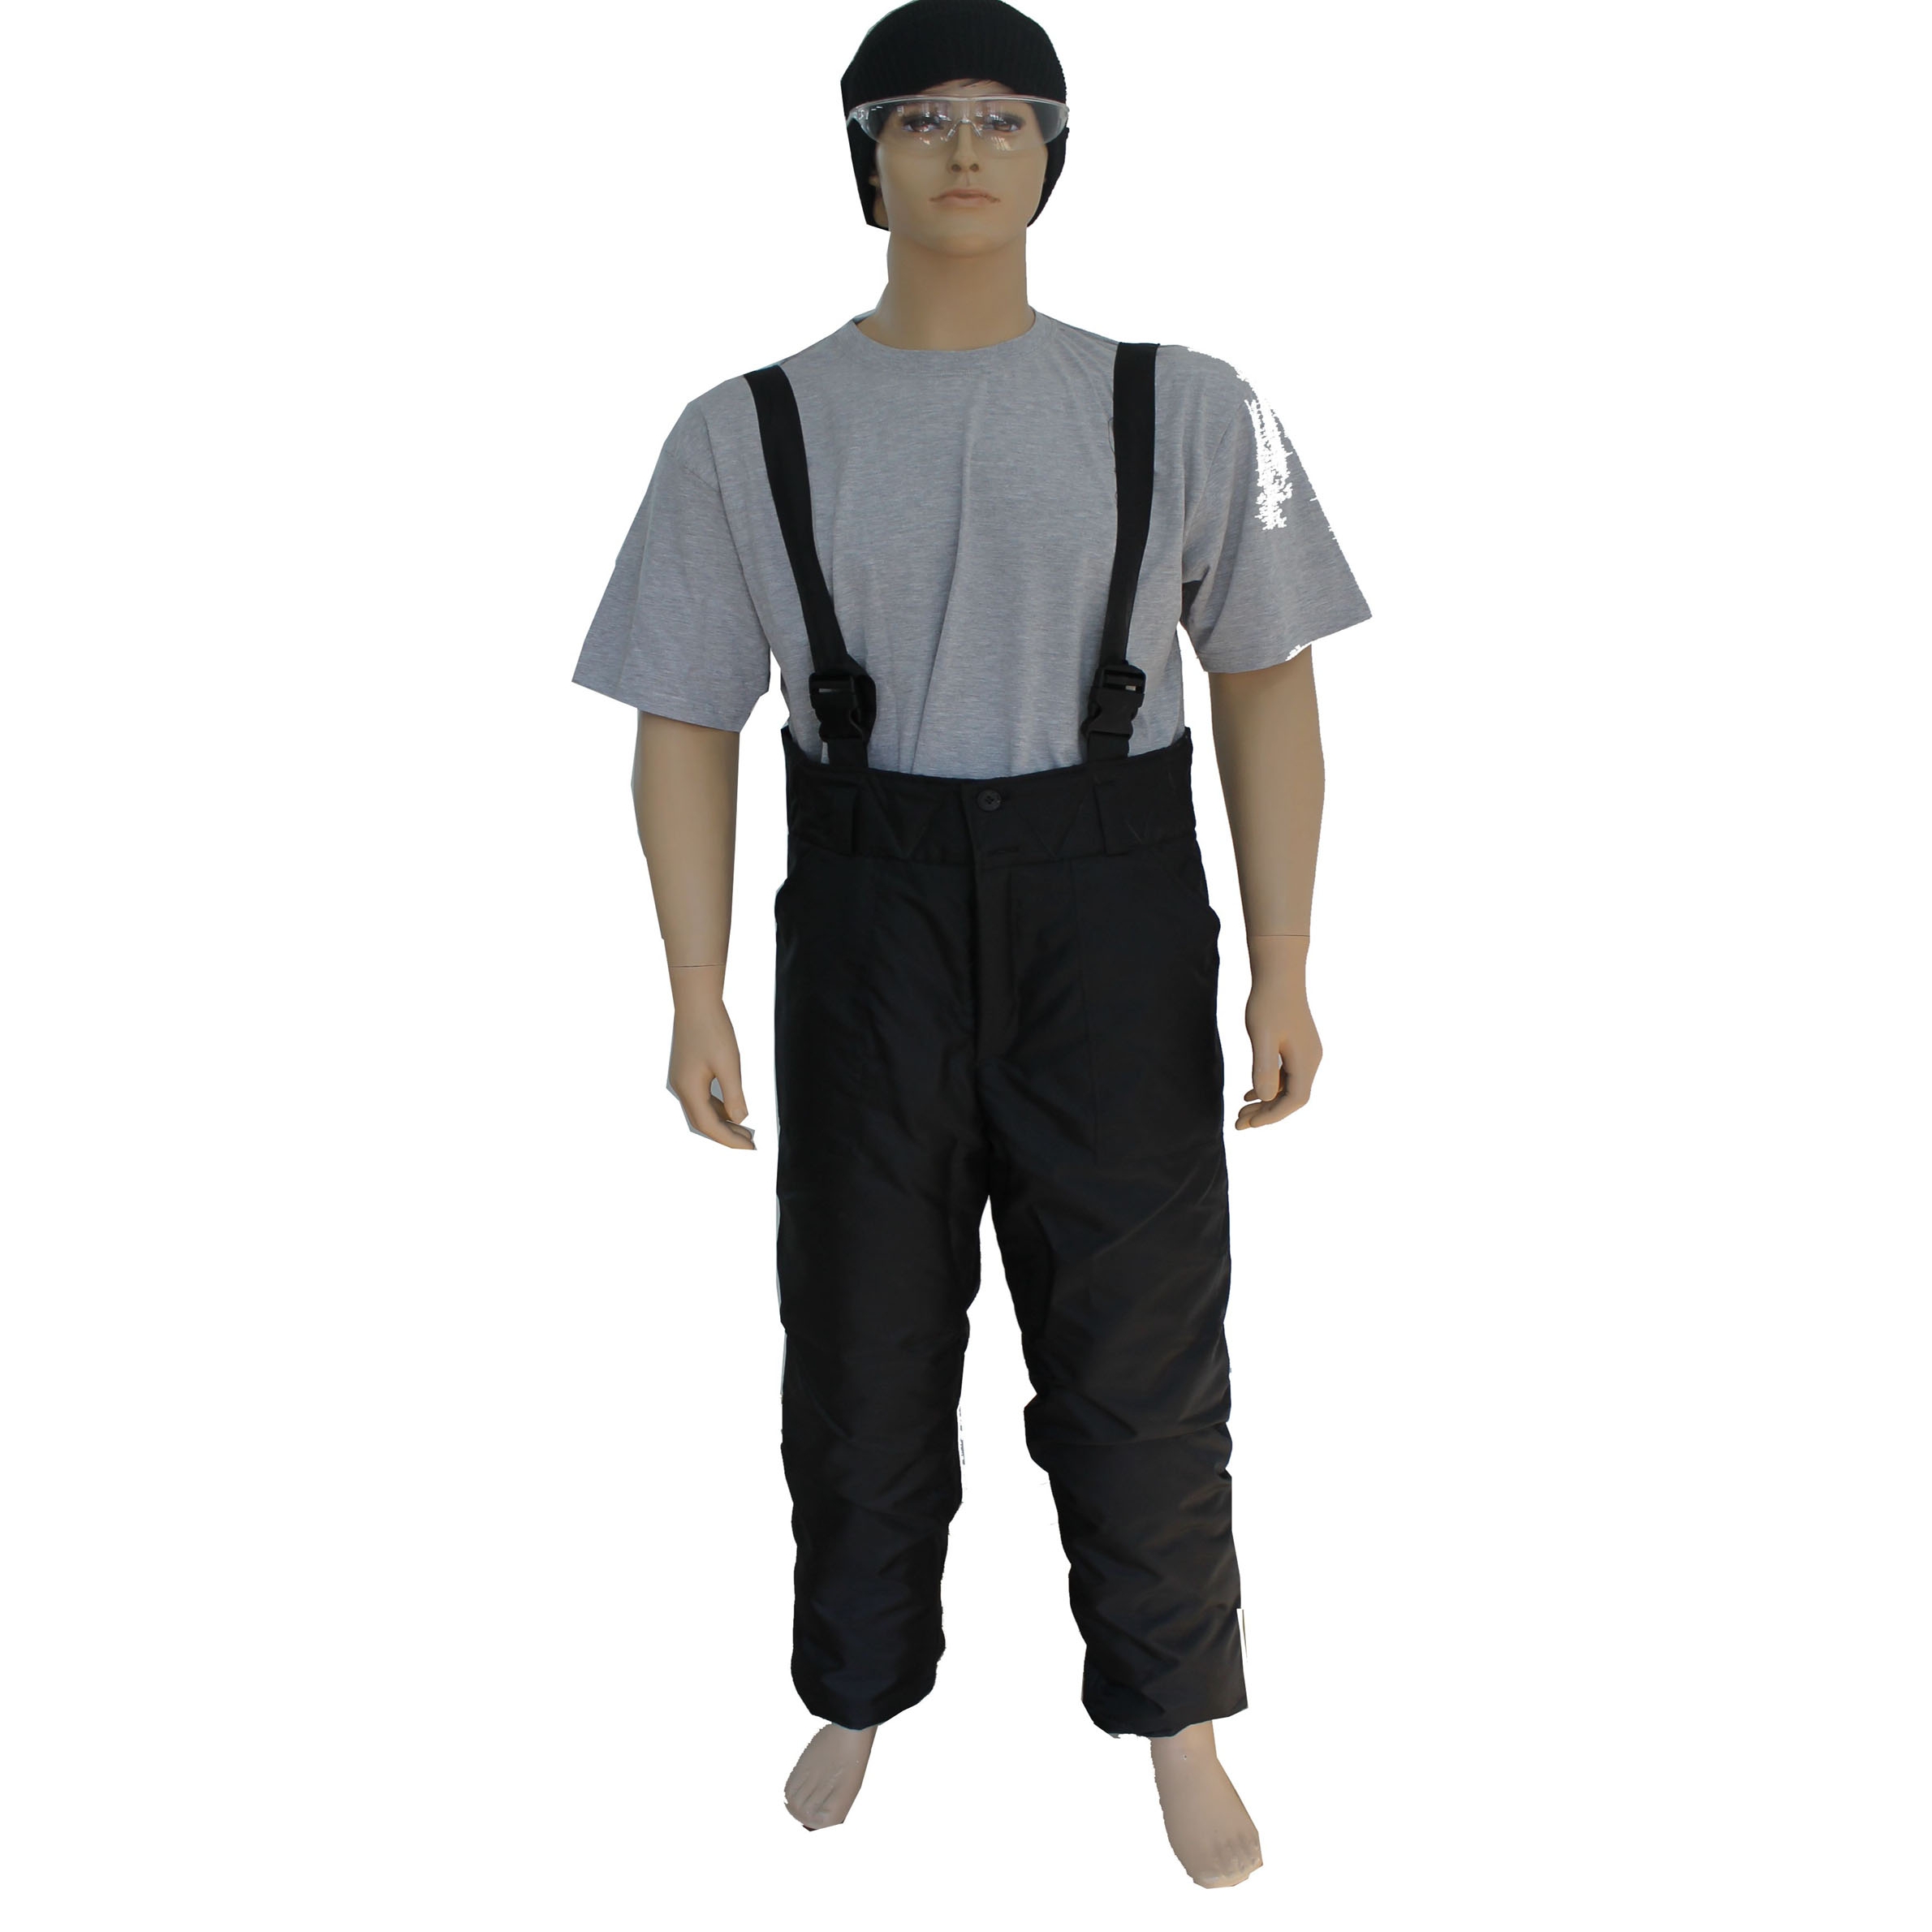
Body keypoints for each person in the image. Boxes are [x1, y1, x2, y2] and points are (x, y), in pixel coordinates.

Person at [572, 0, 1370, 1888]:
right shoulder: (740, 429)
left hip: (1112, 907)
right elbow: (681, 717)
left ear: (1054, 155)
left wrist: (1283, 957)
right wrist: (689, 987)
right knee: (858, 1328)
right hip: (869, 908)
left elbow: (1265, 679)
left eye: (1005, 115)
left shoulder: (1196, 404)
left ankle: (1178, 1715)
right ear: (861, 156)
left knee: (1139, 1331)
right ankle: (854, 1684)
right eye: (918, 114)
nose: (961, 144)